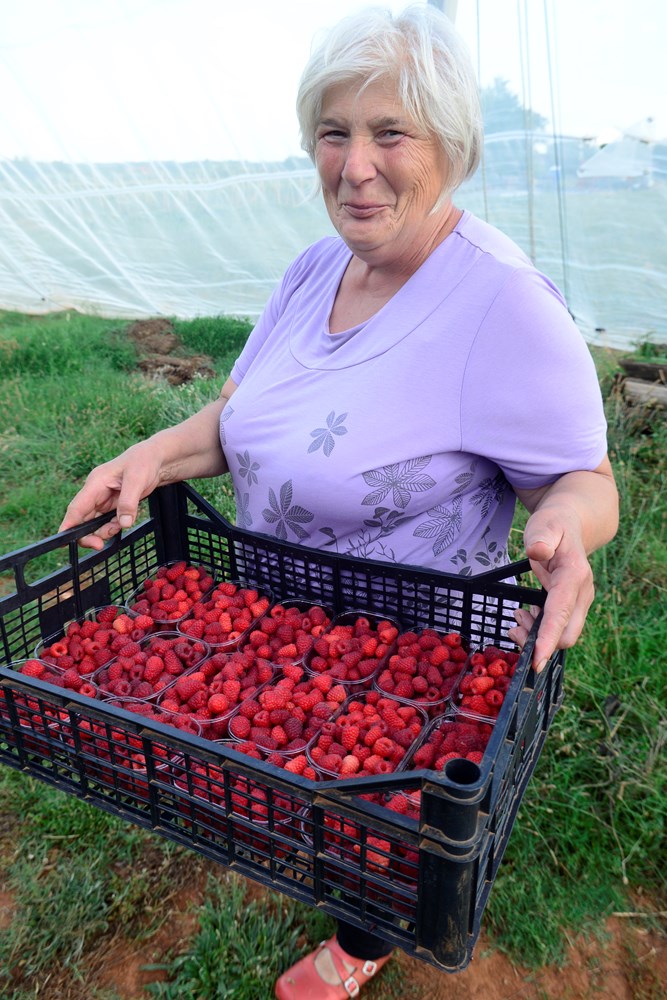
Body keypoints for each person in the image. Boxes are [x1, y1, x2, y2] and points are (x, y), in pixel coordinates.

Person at [59, 5, 619, 998]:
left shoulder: (501, 307)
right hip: (275, 631)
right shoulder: (312, 268)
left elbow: (583, 482)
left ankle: (356, 944)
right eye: (333, 132)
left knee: (380, 815)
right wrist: (148, 455)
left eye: (389, 132)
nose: (355, 165)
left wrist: (562, 525)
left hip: (411, 661)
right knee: (288, 780)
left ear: (450, 144)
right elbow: (235, 421)